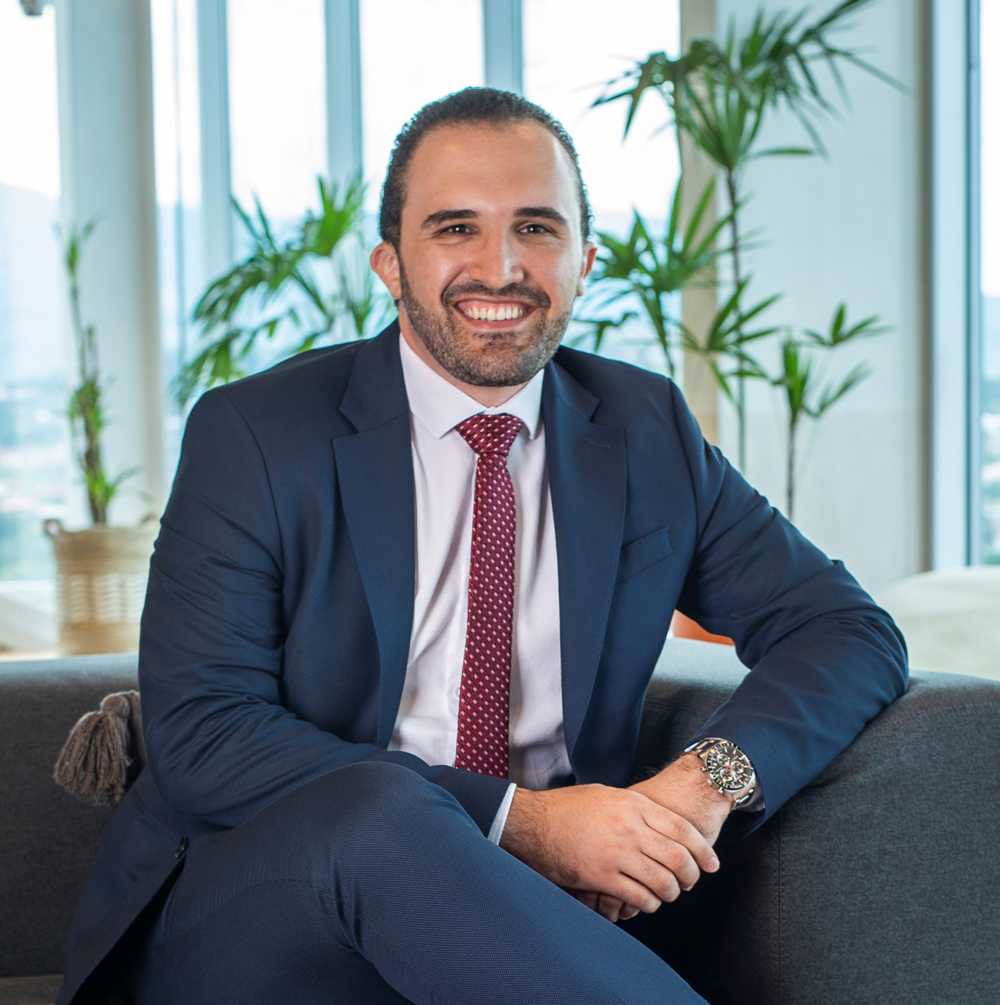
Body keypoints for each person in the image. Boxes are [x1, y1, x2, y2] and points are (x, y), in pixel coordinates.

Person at [56, 88, 907, 1005]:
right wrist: (527, 823)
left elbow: (844, 628)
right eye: (456, 227)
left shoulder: (645, 428)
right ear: (390, 263)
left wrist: (702, 783)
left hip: (525, 924)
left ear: (585, 260)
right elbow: (205, 731)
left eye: (535, 228)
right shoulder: (257, 433)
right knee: (382, 813)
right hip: (260, 908)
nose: (500, 268)